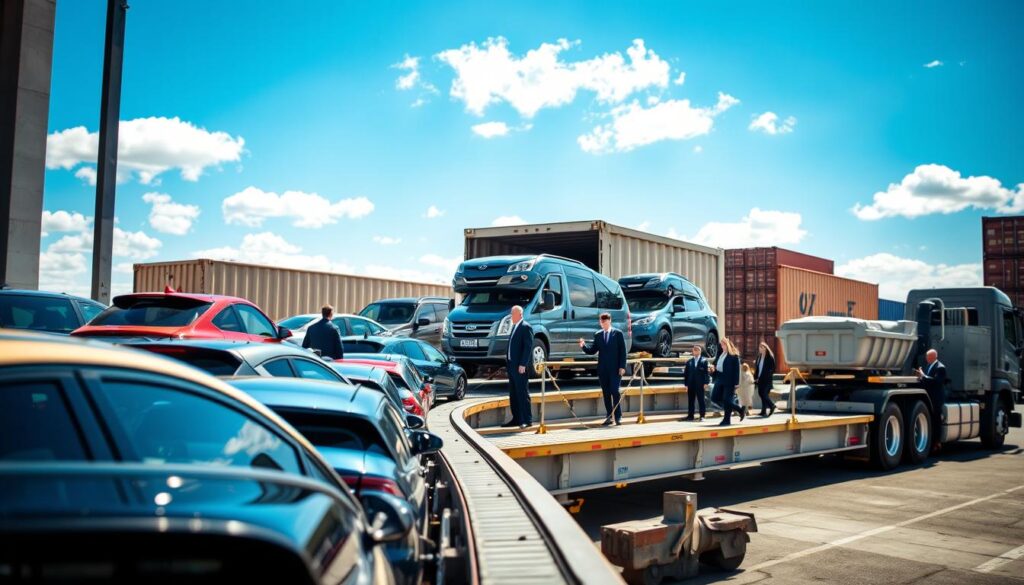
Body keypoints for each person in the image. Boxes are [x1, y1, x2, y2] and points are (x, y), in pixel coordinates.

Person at [579, 312, 627, 426]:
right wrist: (583, 346)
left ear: (609, 321)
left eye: (604, 322)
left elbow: (623, 352)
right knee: (606, 393)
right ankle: (609, 416)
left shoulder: (618, 334)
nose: (603, 324)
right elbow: (593, 350)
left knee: (615, 391)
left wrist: (622, 366)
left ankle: (618, 416)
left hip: (615, 369)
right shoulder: (598, 335)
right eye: (601, 322)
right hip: (603, 369)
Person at [503, 305, 534, 429]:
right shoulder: (514, 327)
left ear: (520, 314)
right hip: (511, 365)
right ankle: (516, 418)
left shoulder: (526, 327)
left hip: (520, 366)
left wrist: (523, 364)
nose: (511, 316)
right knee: (514, 393)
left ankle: (527, 419)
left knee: (522, 393)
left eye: (513, 314)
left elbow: (528, 347)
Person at [915, 349, 947, 449]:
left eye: (928, 357)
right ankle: (933, 442)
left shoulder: (940, 368)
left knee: (936, 421)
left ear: (934, 357)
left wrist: (922, 375)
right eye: (926, 357)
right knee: (932, 421)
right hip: (930, 397)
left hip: (936, 399)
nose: (926, 358)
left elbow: (936, 382)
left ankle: (937, 443)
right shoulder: (929, 365)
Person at [717, 338, 744, 426]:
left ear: (727, 344)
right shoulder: (721, 355)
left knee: (727, 400)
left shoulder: (734, 355)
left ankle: (738, 411)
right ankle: (727, 419)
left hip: (730, 382)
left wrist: (736, 383)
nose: (722, 346)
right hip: (722, 381)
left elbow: (737, 370)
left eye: (723, 345)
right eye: (721, 345)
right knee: (724, 400)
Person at [682, 345, 709, 421]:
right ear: (693, 351)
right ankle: (690, 416)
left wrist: (706, 383)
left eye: (698, 350)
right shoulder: (689, 362)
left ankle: (702, 416)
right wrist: (686, 385)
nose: (696, 351)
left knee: (701, 400)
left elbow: (706, 373)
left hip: (700, 384)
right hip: (691, 384)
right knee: (691, 400)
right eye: (695, 350)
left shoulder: (704, 361)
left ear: (700, 351)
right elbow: (686, 374)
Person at [755, 342, 777, 417]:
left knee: (764, 394)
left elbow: (773, 368)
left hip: (767, 379)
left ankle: (772, 405)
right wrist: (756, 377)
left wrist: (768, 374)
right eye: (760, 348)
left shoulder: (770, 357)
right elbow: (757, 368)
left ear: (766, 348)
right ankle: (763, 411)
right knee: (761, 394)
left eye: (762, 348)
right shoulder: (759, 357)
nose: (761, 349)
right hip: (760, 379)